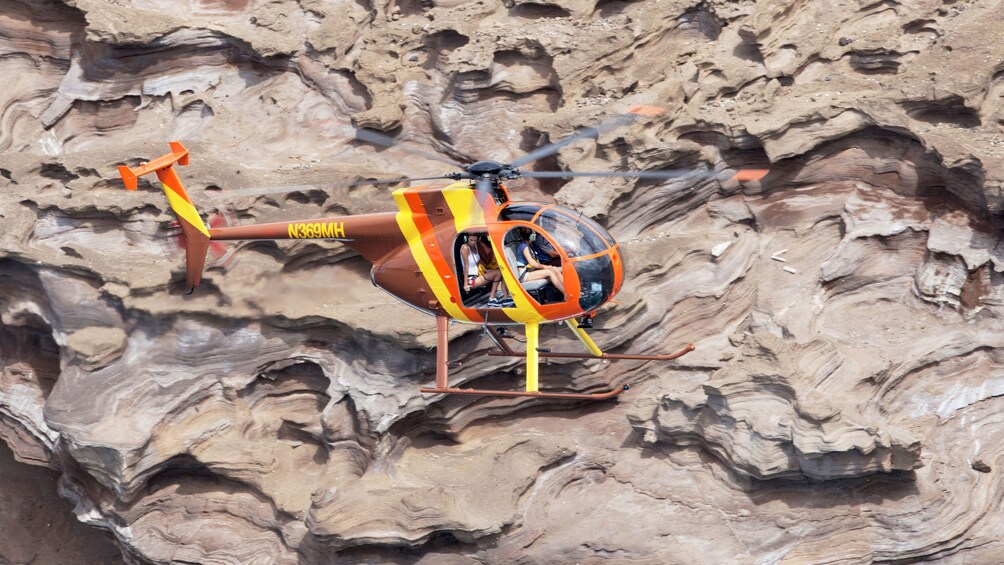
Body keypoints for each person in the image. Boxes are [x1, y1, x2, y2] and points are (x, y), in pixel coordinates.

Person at [515, 228, 564, 296]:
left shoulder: (528, 245)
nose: (535, 235)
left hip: (530, 272)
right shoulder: (524, 246)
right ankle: (566, 294)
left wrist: (548, 267)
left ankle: (568, 290)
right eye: (534, 233)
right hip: (525, 275)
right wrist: (547, 267)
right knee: (550, 272)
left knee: (554, 269)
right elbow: (532, 263)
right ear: (531, 236)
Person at [460, 232, 502, 303]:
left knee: (501, 272)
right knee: (498, 273)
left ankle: (505, 296)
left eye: (475, 240)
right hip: (470, 279)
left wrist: (487, 270)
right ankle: (491, 298)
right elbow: (466, 266)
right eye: (471, 240)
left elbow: (478, 262)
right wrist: (465, 284)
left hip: (478, 274)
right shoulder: (465, 248)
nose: (473, 242)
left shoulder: (476, 246)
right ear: (467, 239)